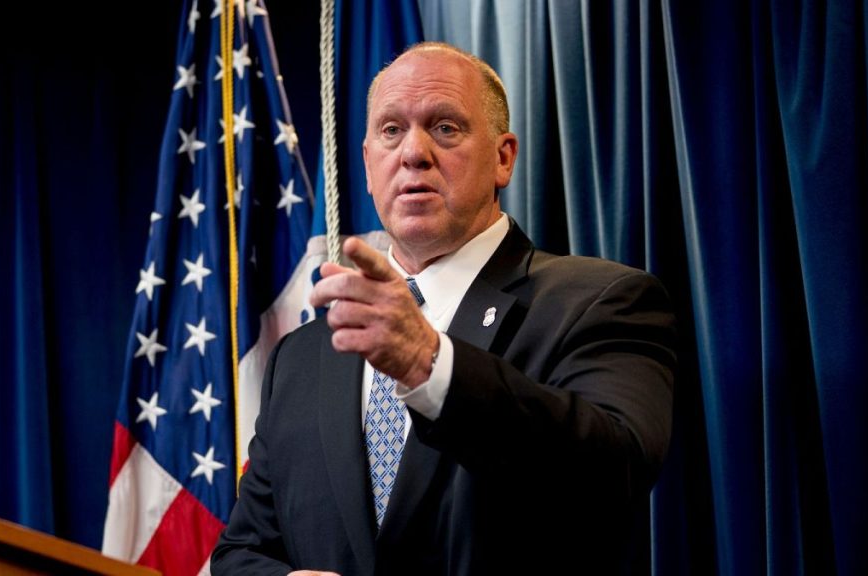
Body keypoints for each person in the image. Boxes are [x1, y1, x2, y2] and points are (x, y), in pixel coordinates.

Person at [212, 41, 677, 575]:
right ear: (367, 165)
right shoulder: (305, 354)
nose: (413, 152)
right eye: (391, 130)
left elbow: (613, 470)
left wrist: (430, 367)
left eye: (445, 127)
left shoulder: (602, 301)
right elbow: (240, 553)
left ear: (503, 158)